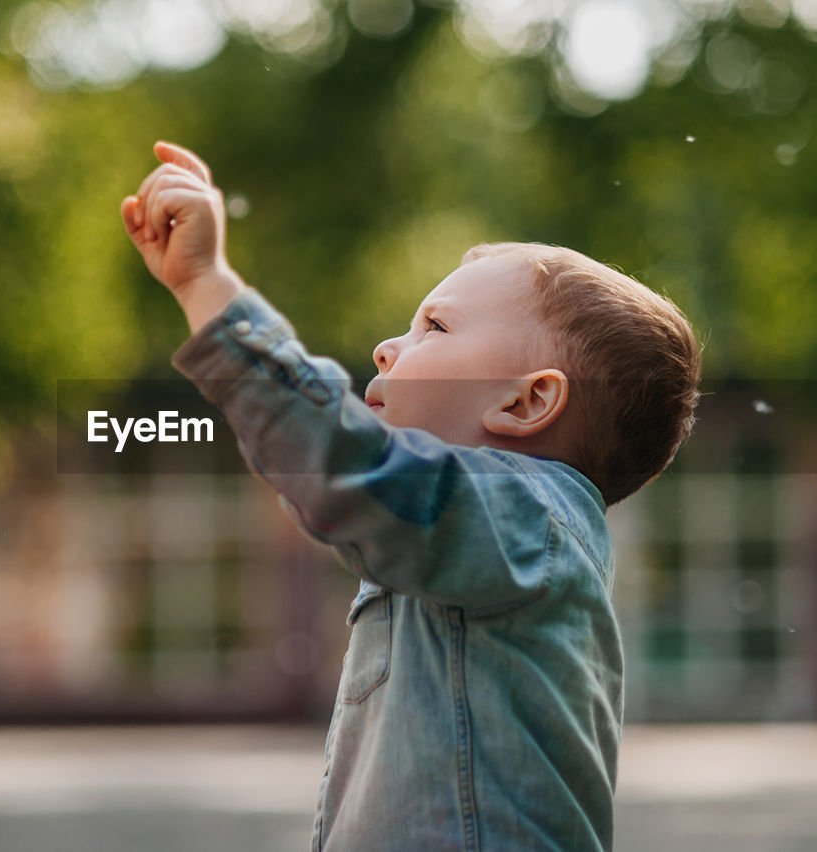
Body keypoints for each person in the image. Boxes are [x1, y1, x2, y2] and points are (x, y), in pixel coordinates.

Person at [121, 141, 700, 851]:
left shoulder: (524, 517)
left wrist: (207, 285)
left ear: (527, 403)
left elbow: (337, 463)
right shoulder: (495, 535)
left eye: (435, 326)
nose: (386, 348)